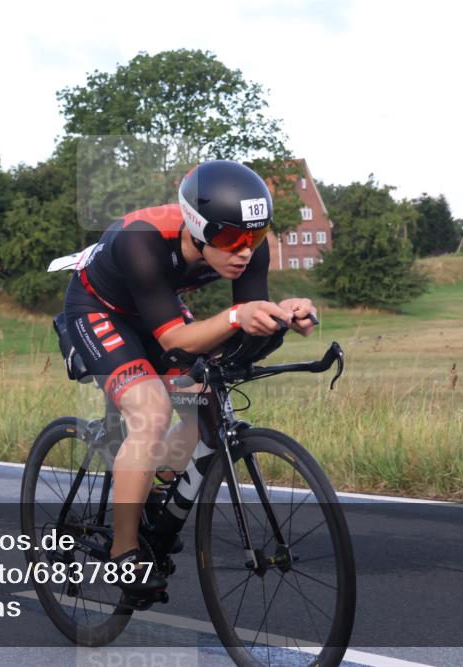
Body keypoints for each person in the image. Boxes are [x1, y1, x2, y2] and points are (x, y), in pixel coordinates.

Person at [63, 160, 319, 593]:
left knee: (205, 400)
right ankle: (123, 554)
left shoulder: (248, 248)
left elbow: (241, 335)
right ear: (198, 228)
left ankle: (160, 481)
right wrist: (239, 315)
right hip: (98, 311)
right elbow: (178, 339)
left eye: (254, 237)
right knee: (151, 409)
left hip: (154, 307)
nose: (244, 250)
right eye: (231, 238)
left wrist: (283, 317)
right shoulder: (140, 240)